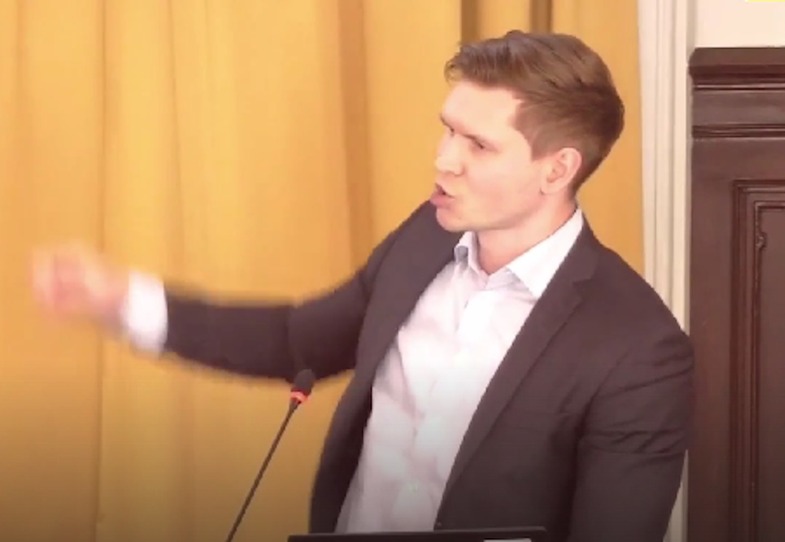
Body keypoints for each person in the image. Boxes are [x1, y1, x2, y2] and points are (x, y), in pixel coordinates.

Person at [32, 30, 693, 542]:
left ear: (558, 169)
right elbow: (297, 340)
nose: (443, 160)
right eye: (447, 129)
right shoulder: (424, 238)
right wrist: (122, 300)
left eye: (478, 145)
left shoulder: (638, 347)